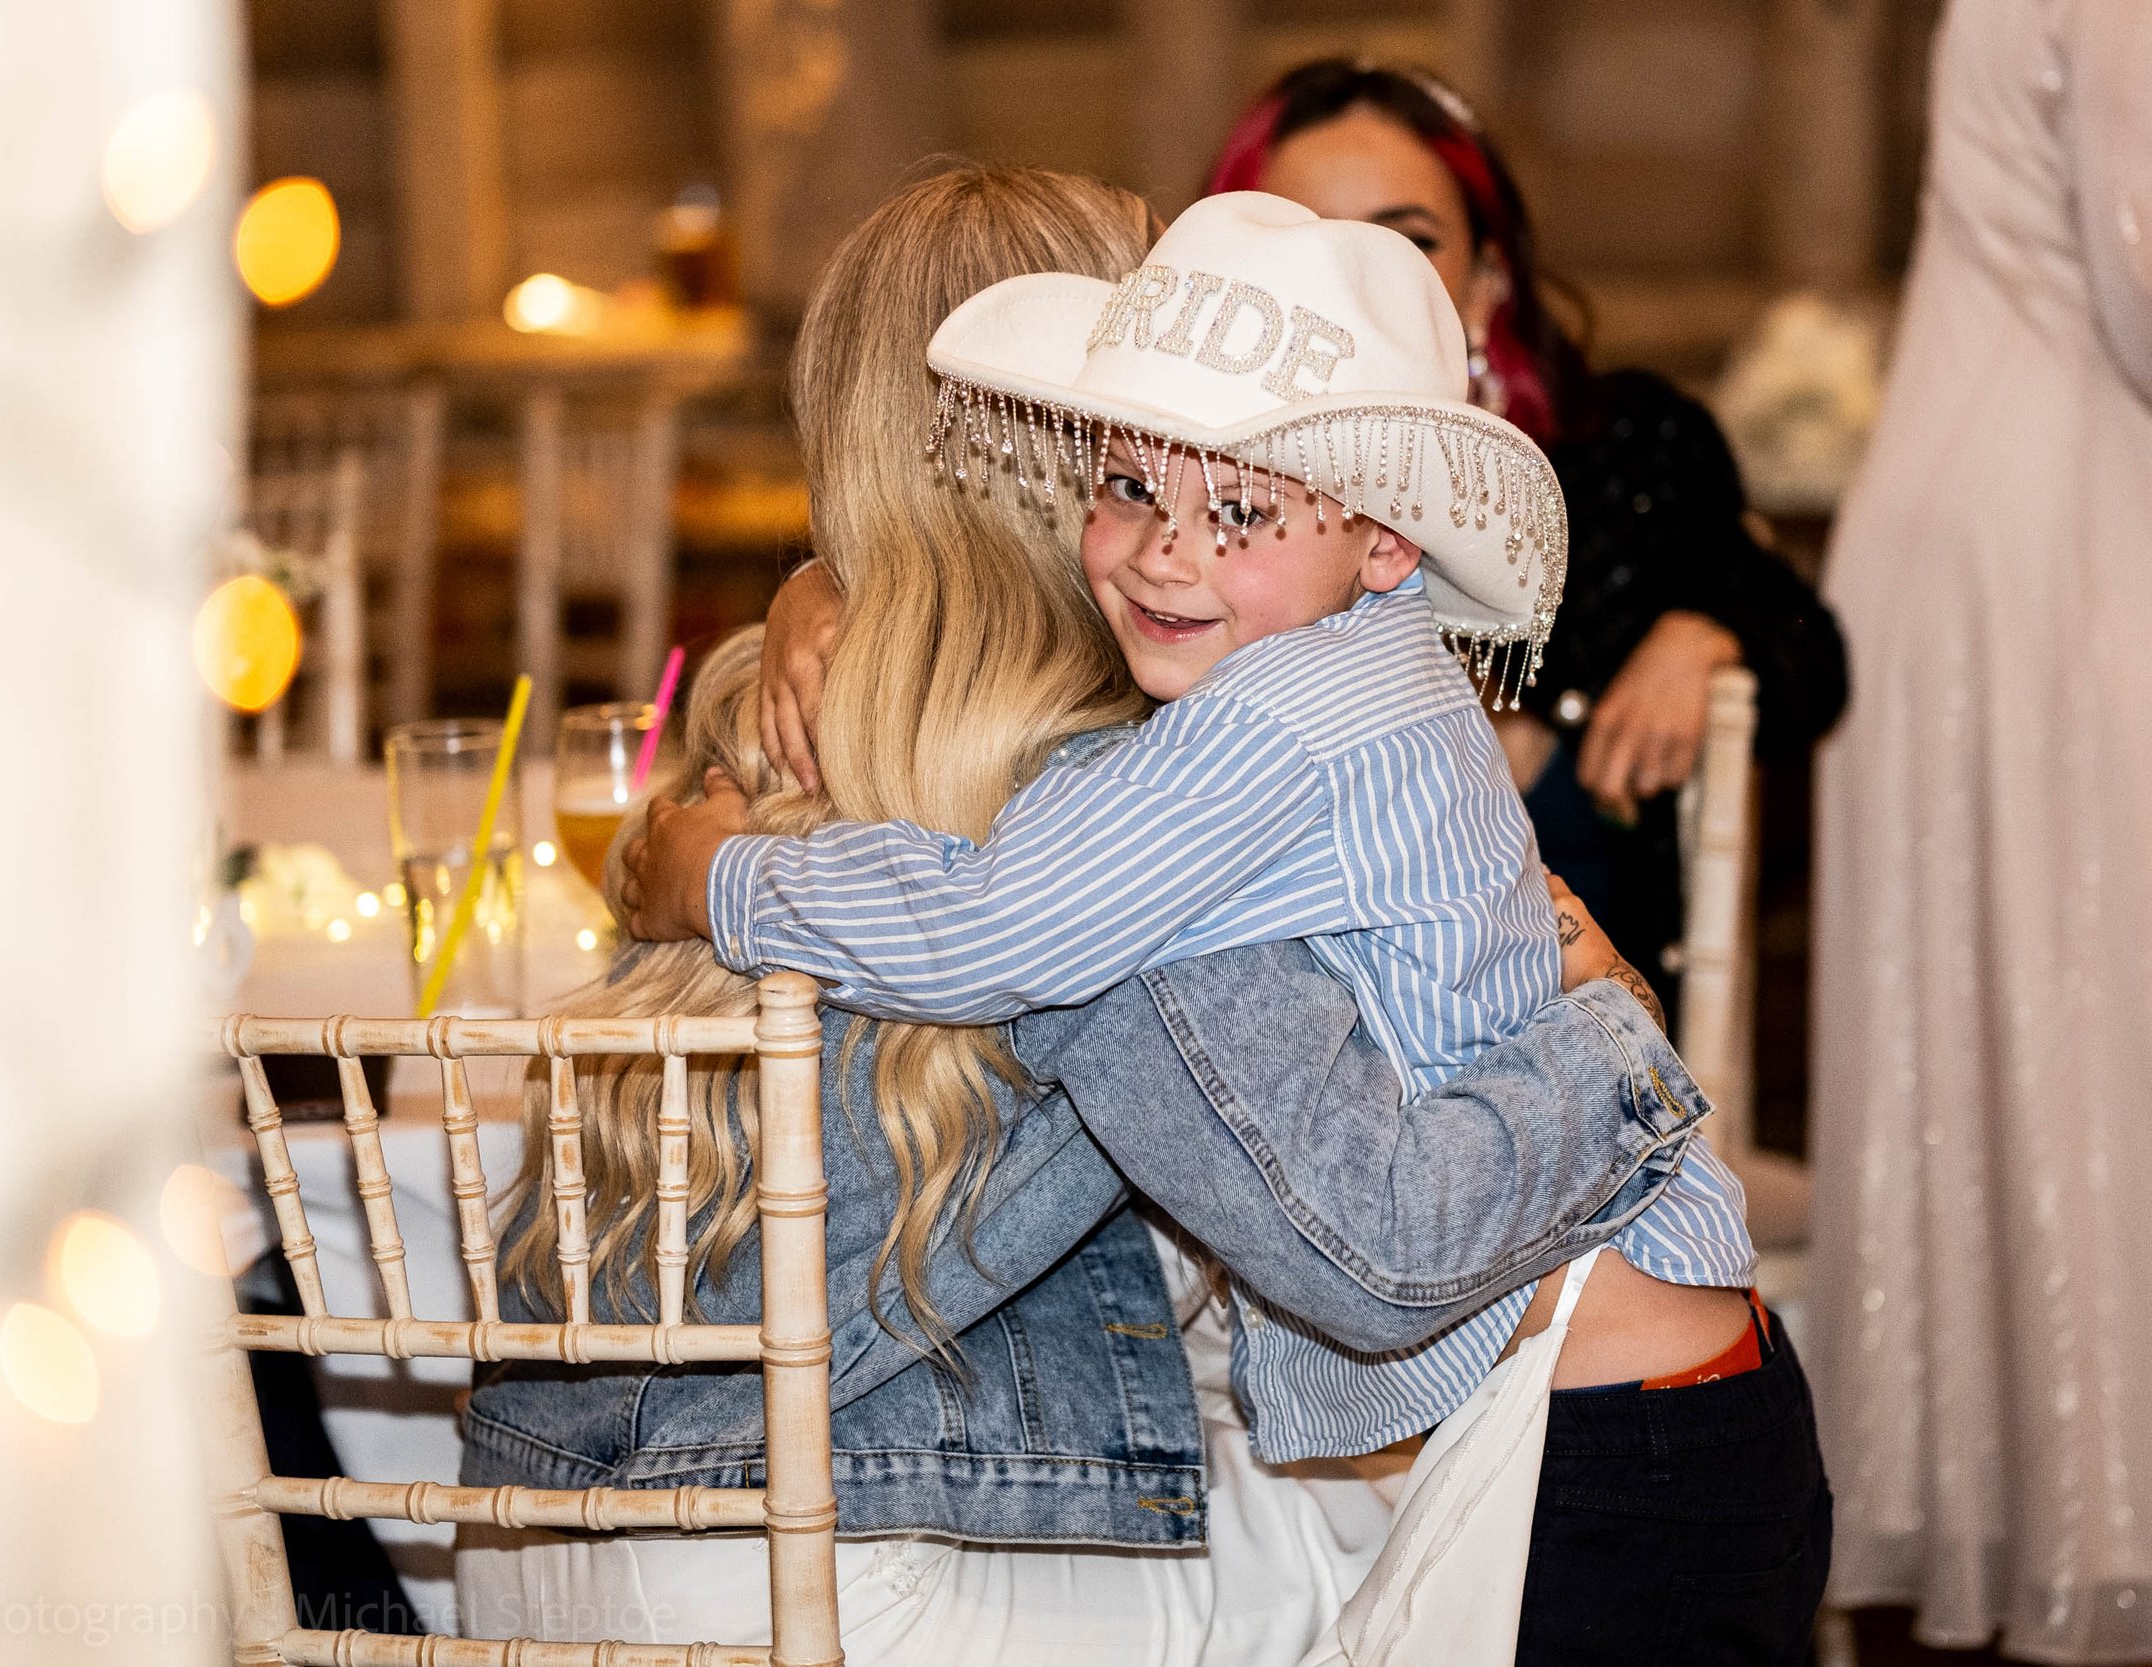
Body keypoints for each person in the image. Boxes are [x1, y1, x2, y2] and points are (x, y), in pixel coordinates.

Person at [454, 166, 1735, 1666]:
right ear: (1072, 441)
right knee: (1415, 1546)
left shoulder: (760, 699)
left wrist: (812, 588)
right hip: (830, 1563)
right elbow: (1352, 1245)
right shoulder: (1127, 803)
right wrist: (1618, 1041)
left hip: (523, 1532)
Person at [759, 63, 1850, 1012]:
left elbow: (1806, 635)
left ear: (1486, 280)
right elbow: (1001, 568)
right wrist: (836, 582)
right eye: (1296, 233)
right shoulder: (1168, 522)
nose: (1335, 273)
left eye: (1400, 242)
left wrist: (1705, 634)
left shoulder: (1618, 449)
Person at [1811, 0, 2152, 1659]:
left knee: (2028, 1023)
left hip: (1987, 514)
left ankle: (2013, 1489)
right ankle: (2090, 1506)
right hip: (2055, 547)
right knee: (2084, 1021)